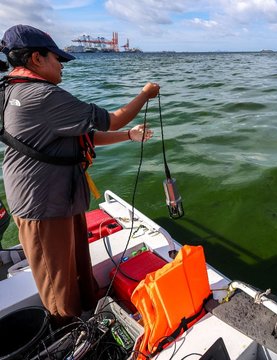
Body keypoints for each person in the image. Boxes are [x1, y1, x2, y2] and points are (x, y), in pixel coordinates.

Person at [0, 24, 159, 326]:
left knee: (77, 265)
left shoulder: (11, 88)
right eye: (56, 58)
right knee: (57, 280)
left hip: (58, 197)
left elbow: (79, 135)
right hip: (42, 204)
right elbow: (112, 120)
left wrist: (130, 136)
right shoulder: (42, 96)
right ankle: (71, 331)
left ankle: (89, 307)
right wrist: (145, 94)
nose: (61, 65)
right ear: (36, 58)